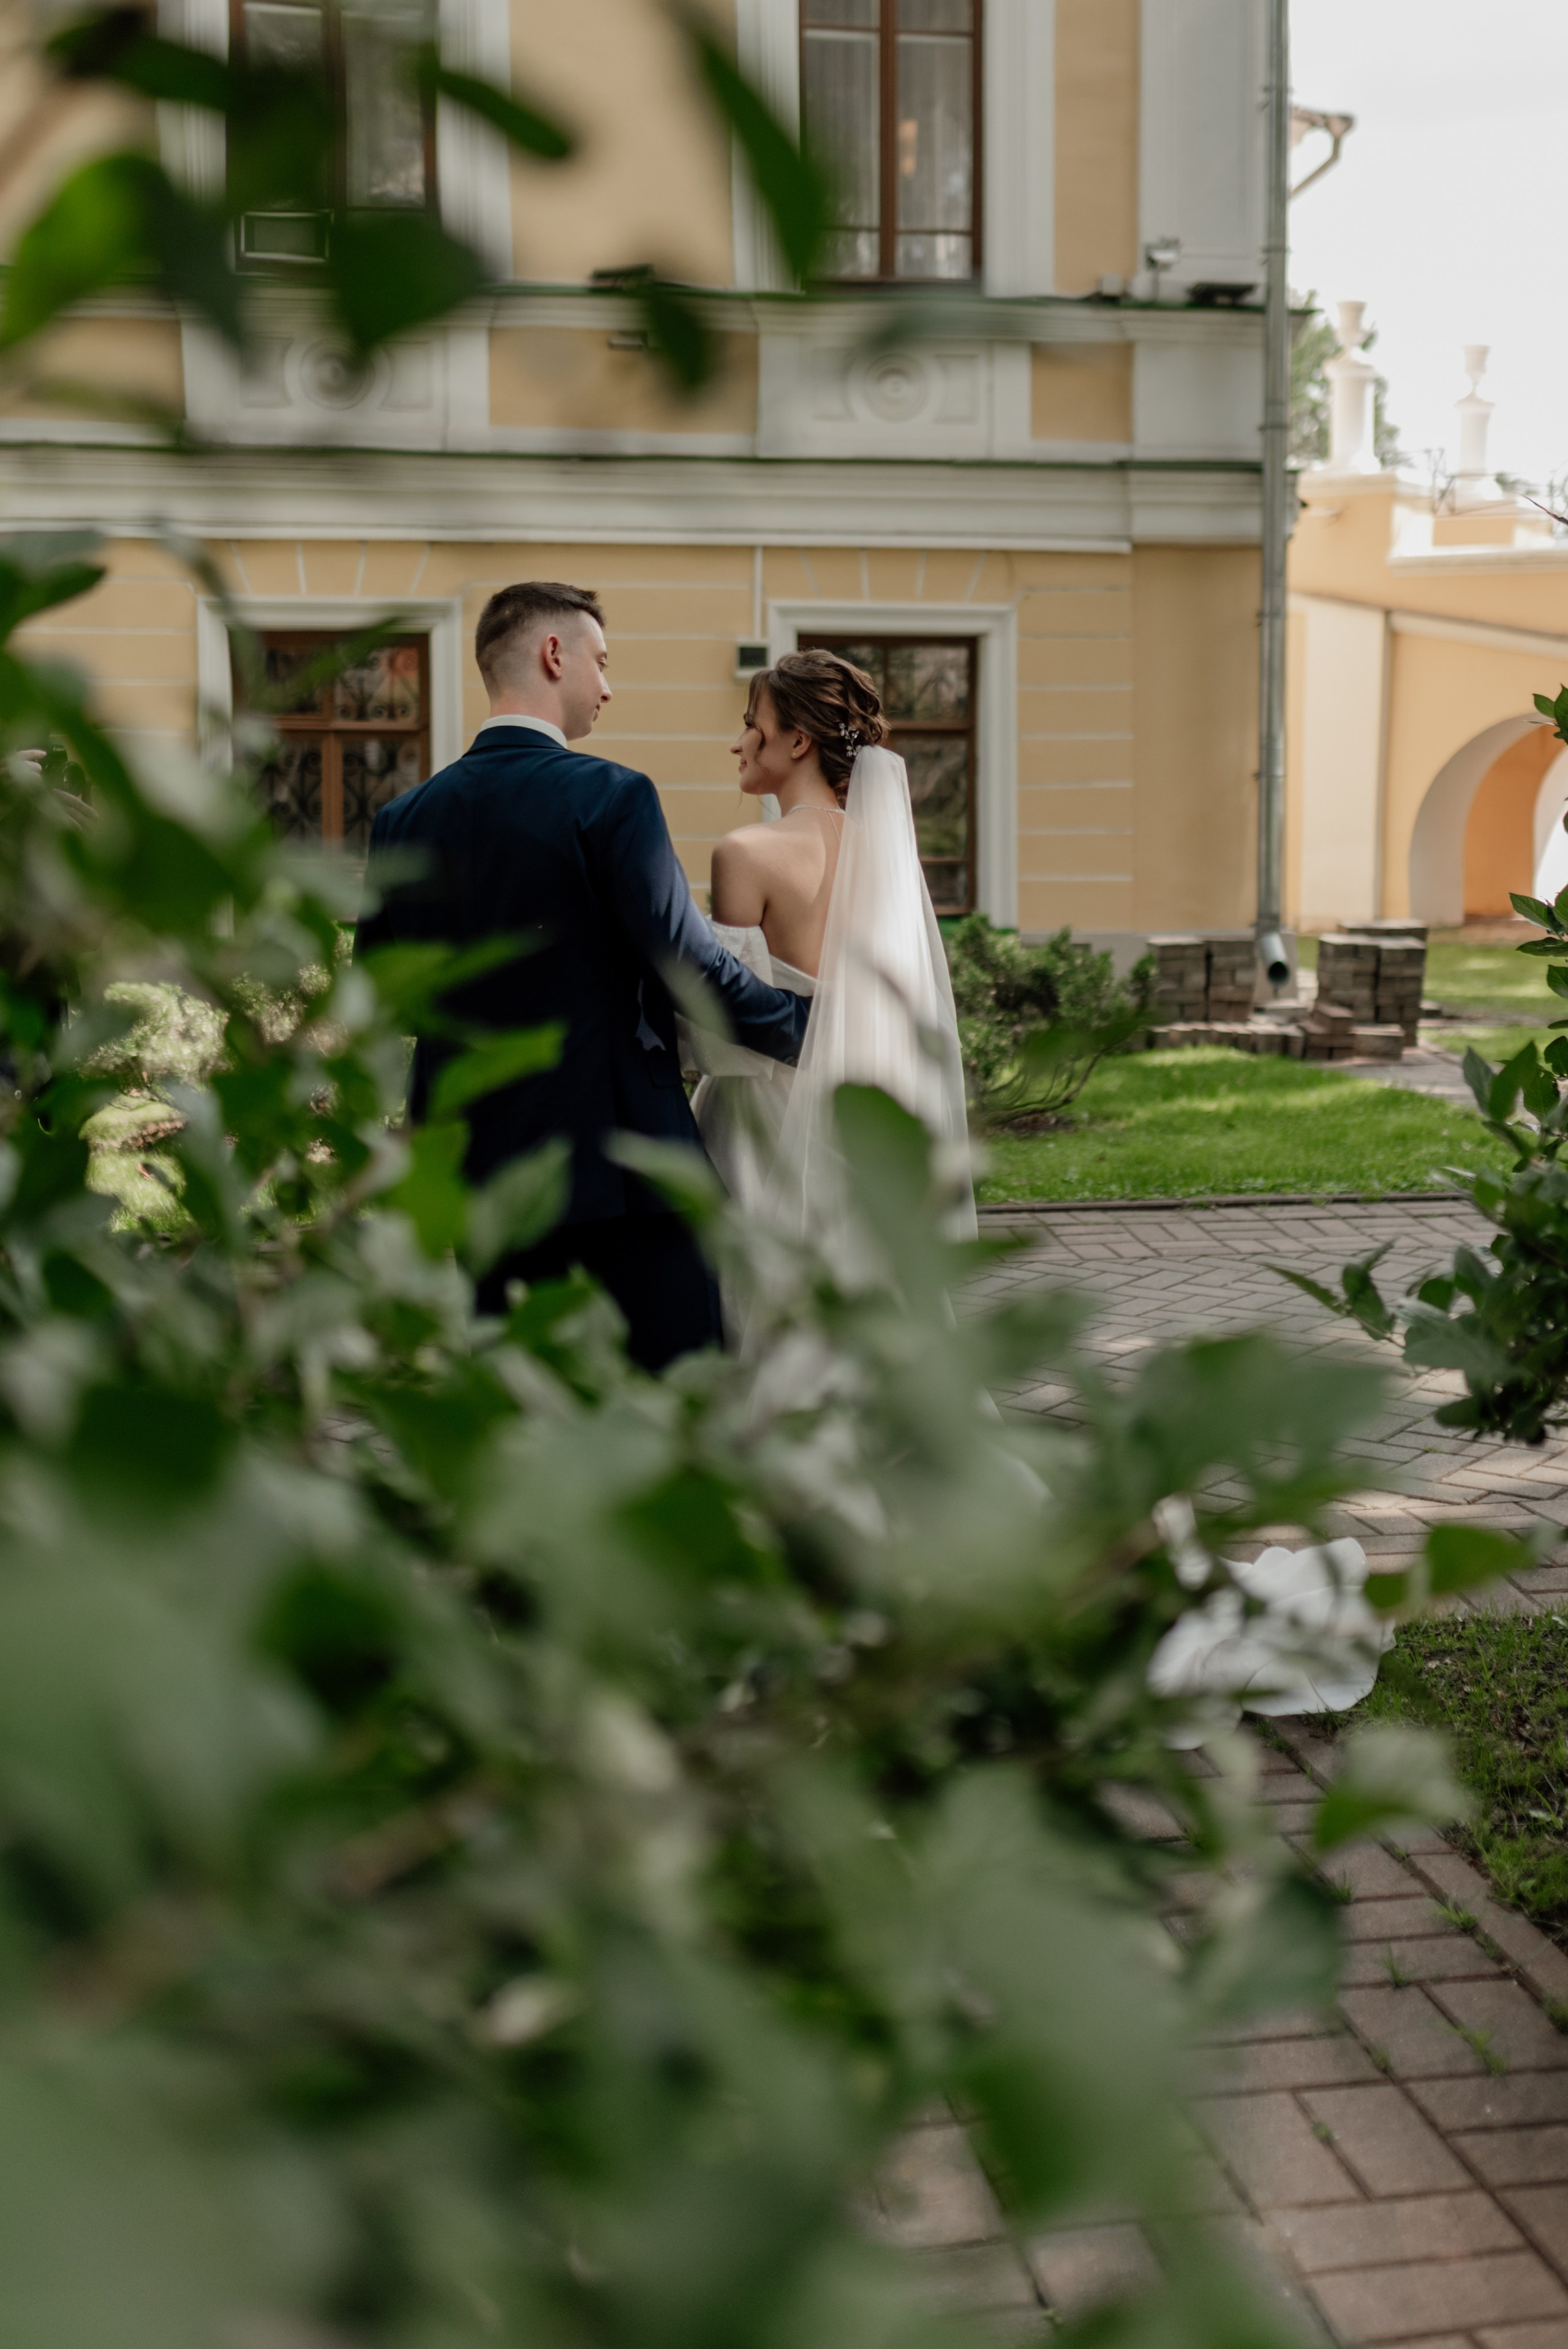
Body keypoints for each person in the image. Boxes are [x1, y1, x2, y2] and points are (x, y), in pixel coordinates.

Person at [356, 582, 811, 1371]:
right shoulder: (612, 797)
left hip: (481, 1177)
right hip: (621, 1174)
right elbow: (688, 967)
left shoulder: (403, 820)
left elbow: (384, 991)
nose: (608, 686)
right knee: (672, 1396)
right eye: (600, 663)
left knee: (522, 1396)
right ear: (552, 654)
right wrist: (806, 1025)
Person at [692, 649, 973, 1284]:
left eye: (749, 722)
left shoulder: (744, 853)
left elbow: (726, 1032)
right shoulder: (886, 852)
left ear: (797, 739)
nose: (737, 742)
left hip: (760, 1114)